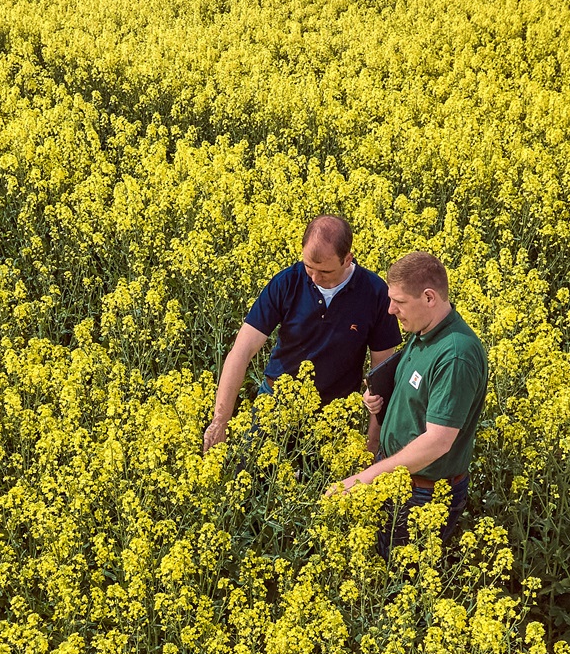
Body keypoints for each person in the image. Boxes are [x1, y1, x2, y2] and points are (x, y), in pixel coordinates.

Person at [328, 251, 487, 552]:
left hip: (424, 497)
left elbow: (437, 442)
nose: (390, 310)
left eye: (399, 302)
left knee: (403, 585)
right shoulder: (423, 332)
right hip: (396, 481)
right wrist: (381, 400)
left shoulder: (455, 355)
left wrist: (365, 479)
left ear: (429, 297)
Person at [203, 215, 400, 451]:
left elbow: (382, 376)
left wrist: (372, 443)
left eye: (325, 271)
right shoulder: (287, 282)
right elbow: (241, 351)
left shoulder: (375, 293)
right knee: (251, 481)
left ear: (348, 259)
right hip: (275, 403)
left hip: (332, 415)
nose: (314, 278)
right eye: (309, 267)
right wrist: (220, 420)